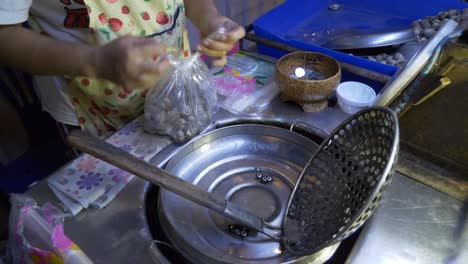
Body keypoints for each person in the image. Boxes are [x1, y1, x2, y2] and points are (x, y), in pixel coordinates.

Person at [0, 0, 245, 141]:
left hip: (172, 85)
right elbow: (5, 34)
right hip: (89, 105)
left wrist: (209, 18)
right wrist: (96, 62)